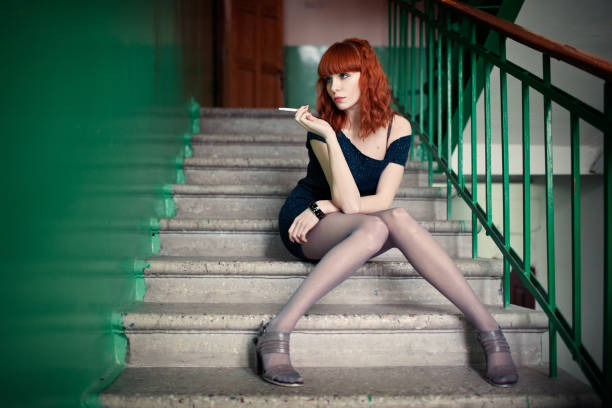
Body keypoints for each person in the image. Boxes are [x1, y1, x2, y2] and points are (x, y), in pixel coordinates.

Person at [254, 38, 518, 388]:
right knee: (376, 228)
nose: (335, 88)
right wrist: (330, 139)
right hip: (307, 222)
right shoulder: (321, 130)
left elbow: (383, 199)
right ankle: (277, 331)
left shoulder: (399, 127)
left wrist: (327, 206)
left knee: (396, 219)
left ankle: (490, 333)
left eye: (345, 76)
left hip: (333, 213)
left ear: (369, 75)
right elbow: (349, 202)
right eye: (328, 79)